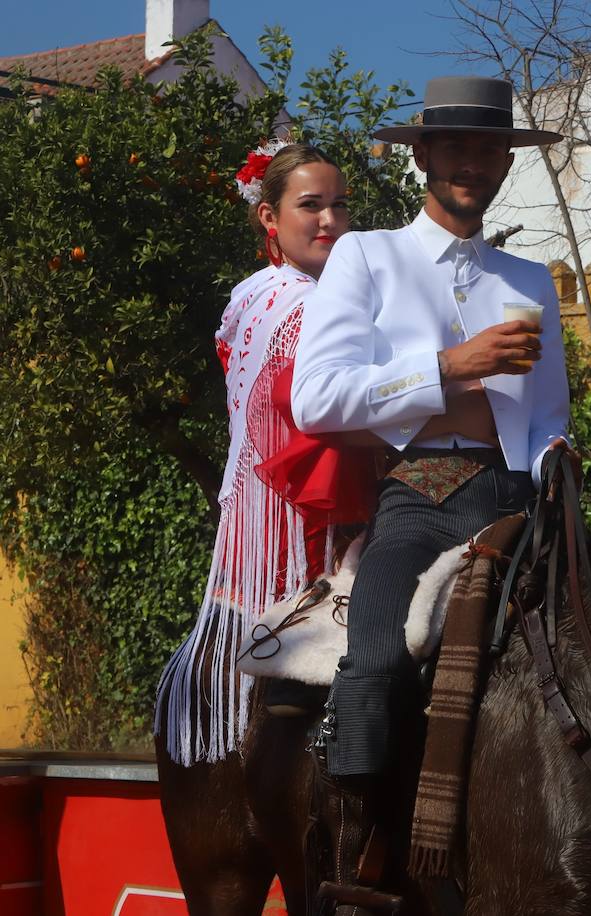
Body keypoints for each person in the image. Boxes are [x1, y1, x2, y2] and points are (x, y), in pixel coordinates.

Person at [290, 76, 570, 799]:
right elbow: (316, 399)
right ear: (422, 157)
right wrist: (450, 368)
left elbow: (546, 418)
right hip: (417, 497)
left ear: (508, 163)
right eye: (455, 147)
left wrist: (555, 460)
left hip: (516, 501)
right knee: (379, 660)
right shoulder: (366, 257)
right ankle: (360, 857)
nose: (473, 163)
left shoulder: (531, 279)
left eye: (490, 149)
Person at [156, 141, 365, 766]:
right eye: (311, 205)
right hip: (302, 520)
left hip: (252, 521)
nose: (330, 219)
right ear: (269, 219)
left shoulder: (250, 296)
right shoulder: (314, 306)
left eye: (339, 205)